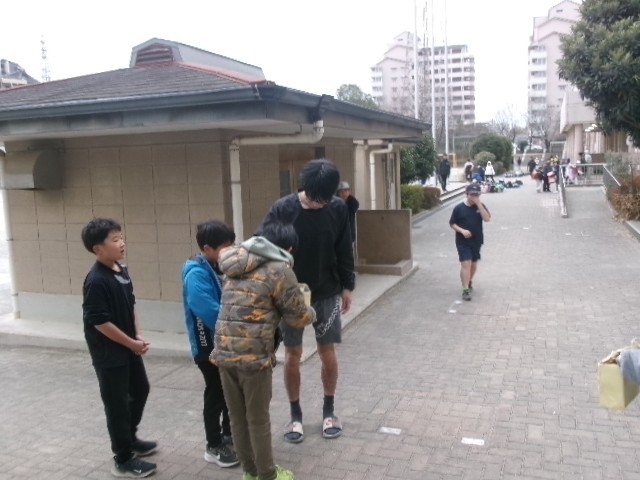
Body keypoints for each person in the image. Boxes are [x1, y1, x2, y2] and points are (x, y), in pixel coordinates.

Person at [257, 158, 355, 443]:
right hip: (290, 294)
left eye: (323, 199)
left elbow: (344, 248)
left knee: (328, 351)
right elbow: (260, 243)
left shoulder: (337, 208)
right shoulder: (283, 208)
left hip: (327, 291)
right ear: (305, 188)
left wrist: (347, 286)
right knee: (292, 354)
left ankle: (329, 411)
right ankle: (295, 415)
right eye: (313, 198)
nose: (317, 204)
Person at [211, 222, 316, 480]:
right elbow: (297, 316)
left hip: (224, 351)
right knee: (258, 419)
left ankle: (250, 472)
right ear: (288, 248)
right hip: (253, 356)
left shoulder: (234, 262)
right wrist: (311, 310)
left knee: (237, 417)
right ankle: (267, 475)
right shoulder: (279, 269)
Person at [81, 218, 158, 478]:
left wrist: (138, 335)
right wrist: (131, 343)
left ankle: (130, 438)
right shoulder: (96, 280)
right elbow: (99, 322)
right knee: (117, 405)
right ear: (97, 249)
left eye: (121, 237)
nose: (122, 243)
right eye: (114, 240)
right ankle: (123, 459)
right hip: (109, 354)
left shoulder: (121, 270)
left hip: (128, 347)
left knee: (140, 389)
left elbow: (131, 305)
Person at [182, 220, 239, 468]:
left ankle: (228, 434)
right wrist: (238, 326)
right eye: (226, 247)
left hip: (223, 340)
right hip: (207, 345)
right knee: (215, 391)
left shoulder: (216, 266)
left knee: (227, 390)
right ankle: (213, 446)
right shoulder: (196, 273)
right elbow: (207, 309)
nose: (231, 251)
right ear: (207, 248)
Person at [449, 184, 491, 301]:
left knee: (473, 264)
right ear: (467, 194)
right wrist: (462, 231)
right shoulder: (459, 208)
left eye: (477, 195)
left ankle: (469, 281)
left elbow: (487, 219)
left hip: (477, 240)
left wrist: (479, 205)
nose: (474, 197)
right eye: (472, 194)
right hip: (462, 241)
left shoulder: (480, 206)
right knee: (466, 263)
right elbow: (452, 223)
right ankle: (466, 289)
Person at [336, 181, 360, 246]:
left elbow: (355, 206)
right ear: (338, 193)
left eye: (346, 191)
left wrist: (351, 198)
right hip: (337, 235)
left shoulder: (352, 202)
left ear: (349, 192)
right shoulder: (334, 204)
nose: (344, 193)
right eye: (341, 191)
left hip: (349, 234)